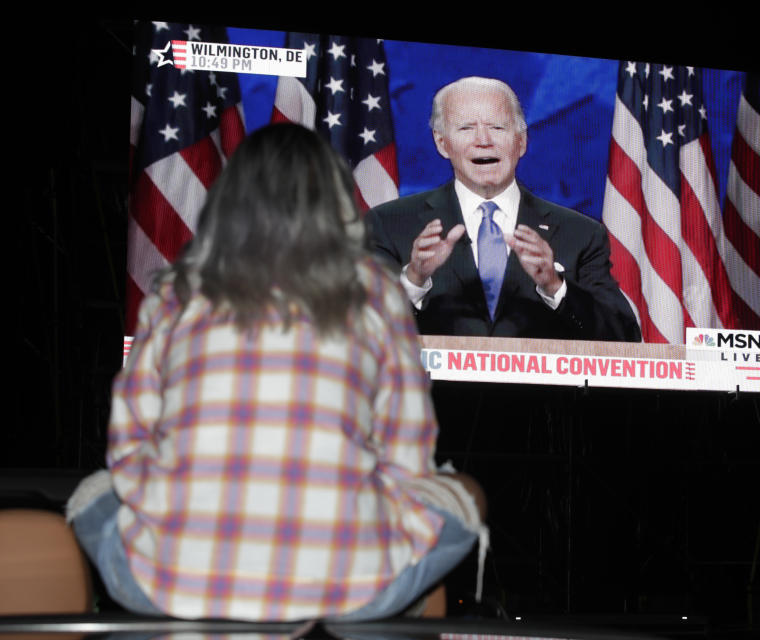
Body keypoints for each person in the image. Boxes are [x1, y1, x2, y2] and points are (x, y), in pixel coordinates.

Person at [64, 124, 487, 621]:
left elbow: (129, 451)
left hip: (170, 584)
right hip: (351, 590)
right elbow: (406, 458)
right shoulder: (377, 290)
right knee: (463, 494)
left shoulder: (175, 292)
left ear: (230, 201)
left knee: (93, 492)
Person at [366, 77, 641, 342]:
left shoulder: (580, 233)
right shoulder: (391, 224)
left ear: (521, 142)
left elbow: (622, 336)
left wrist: (555, 286)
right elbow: (359, 332)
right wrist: (413, 280)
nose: (483, 140)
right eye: (466, 128)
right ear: (442, 143)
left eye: (497, 127)